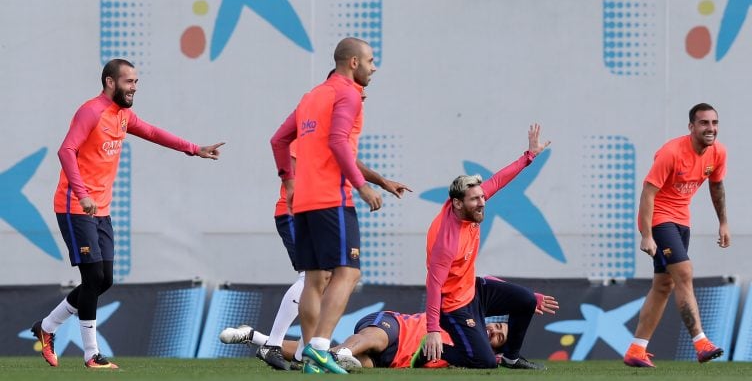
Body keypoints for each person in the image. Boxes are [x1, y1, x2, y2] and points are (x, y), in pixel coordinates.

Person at [31, 59, 224, 369]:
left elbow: (152, 132)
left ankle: (47, 327)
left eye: (136, 81)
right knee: (92, 276)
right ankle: (91, 354)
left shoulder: (123, 115)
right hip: (75, 206)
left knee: (104, 279)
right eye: (128, 81)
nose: (134, 87)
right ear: (110, 82)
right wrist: (82, 195)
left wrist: (194, 148)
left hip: (101, 209)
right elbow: (66, 150)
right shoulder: (91, 111)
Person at [270, 37, 383, 374]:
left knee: (315, 277)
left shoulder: (312, 95)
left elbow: (278, 140)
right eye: (370, 60)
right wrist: (362, 187)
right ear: (353, 63)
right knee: (349, 272)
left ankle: (308, 354)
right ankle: (320, 346)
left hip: (303, 201)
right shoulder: (347, 93)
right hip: (332, 198)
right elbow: (337, 141)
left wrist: (289, 181)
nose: (373, 67)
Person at [250, 139, 411, 371]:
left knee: (324, 279)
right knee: (312, 277)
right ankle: (273, 344)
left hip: (319, 214)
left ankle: (300, 355)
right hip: (298, 213)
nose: (360, 101)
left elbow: (350, 162)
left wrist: (382, 182)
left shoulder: (333, 134)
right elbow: (292, 165)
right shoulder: (309, 130)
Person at [419, 123, 551, 370]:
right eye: (476, 199)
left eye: (482, 197)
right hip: (454, 306)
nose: (482, 202)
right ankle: (428, 350)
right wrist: (433, 330)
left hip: (474, 290)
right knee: (485, 362)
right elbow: (434, 286)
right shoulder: (445, 242)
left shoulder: (468, 205)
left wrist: (529, 156)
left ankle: (511, 357)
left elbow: (499, 180)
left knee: (526, 300)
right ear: (458, 204)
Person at [623, 103, 729, 368]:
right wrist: (647, 235)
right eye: (704, 123)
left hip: (682, 222)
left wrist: (723, 223)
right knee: (684, 273)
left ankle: (637, 349)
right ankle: (701, 342)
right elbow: (648, 193)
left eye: (714, 123)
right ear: (691, 127)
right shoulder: (671, 152)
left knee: (663, 285)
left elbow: (716, 186)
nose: (711, 128)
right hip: (659, 219)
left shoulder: (718, 153)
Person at [219, 290, 558, 369]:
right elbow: (485, 288)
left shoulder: (474, 356)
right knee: (369, 340)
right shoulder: (464, 318)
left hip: (393, 360)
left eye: (499, 337)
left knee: (362, 365)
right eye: (497, 325)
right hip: (395, 327)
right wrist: (529, 298)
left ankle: (258, 339)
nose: (496, 332)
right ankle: (329, 358)